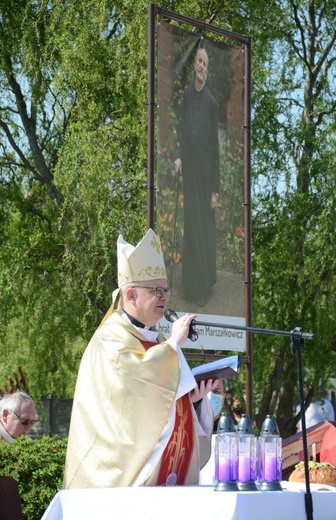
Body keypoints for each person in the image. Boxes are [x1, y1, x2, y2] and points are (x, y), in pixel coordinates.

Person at [63, 228, 218, 489]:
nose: (165, 298)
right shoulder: (110, 338)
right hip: (114, 479)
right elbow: (132, 394)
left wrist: (192, 400)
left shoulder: (155, 341)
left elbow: (155, 396)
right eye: (157, 291)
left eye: (166, 291)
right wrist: (174, 343)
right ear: (131, 295)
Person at [174, 46, 220, 307]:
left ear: (208, 70)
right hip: (190, 173)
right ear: (194, 66)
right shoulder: (188, 95)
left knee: (203, 229)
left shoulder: (212, 102)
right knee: (191, 226)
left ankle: (202, 286)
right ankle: (189, 284)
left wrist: (215, 189)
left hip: (205, 176)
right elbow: (182, 132)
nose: (202, 66)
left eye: (205, 63)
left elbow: (215, 149)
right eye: (199, 61)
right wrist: (179, 156)